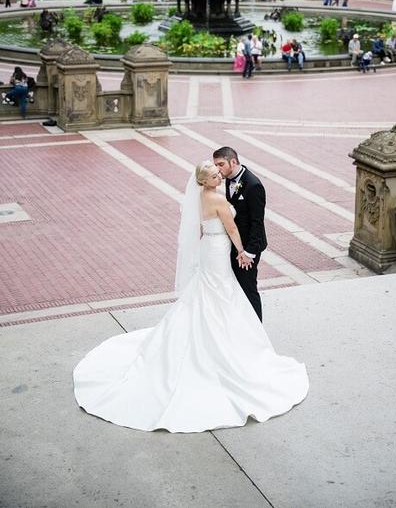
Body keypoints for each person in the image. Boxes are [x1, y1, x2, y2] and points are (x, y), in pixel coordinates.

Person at [73, 161, 308, 432]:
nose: (218, 175)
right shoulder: (218, 199)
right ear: (204, 181)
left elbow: (198, 228)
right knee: (220, 293)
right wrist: (242, 252)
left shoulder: (199, 197)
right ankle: (224, 343)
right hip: (219, 249)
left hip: (209, 247)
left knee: (207, 292)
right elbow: (232, 229)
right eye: (213, 175)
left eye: (218, 172)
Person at [213, 147, 267, 321]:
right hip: (235, 245)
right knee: (236, 287)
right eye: (215, 165)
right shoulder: (228, 180)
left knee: (248, 288)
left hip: (248, 249)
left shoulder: (254, 185)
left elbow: (257, 222)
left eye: (221, 164)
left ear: (233, 162)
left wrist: (248, 253)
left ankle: (257, 328)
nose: (217, 169)